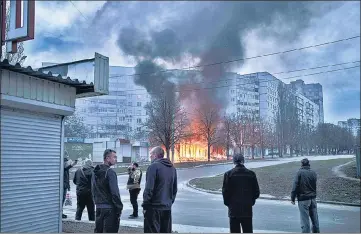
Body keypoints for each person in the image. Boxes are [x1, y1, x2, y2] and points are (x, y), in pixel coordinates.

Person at [142, 146, 178, 233]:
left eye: (151, 154)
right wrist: (169, 202)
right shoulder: (172, 168)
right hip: (167, 208)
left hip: (154, 208)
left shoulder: (153, 167)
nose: (150, 156)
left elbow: (149, 188)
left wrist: (145, 205)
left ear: (155, 155)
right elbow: (174, 189)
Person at [222, 153, 260, 233]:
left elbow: (225, 192)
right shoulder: (251, 174)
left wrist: (229, 204)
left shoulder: (228, 174)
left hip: (233, 209)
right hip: (247, 208)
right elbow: (256, 192)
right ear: (243, 161)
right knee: (248, 231)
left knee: (234, 231)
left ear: (234, 162)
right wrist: (250, 201)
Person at [92, 149, 123, 233]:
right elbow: (115, 193)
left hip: (98, 207)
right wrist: (119, 208)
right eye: (114, 157)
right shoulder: (110, 172)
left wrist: (96, 202)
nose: (116, 159)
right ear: (107, 158)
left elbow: (93, 190)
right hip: (109, 209)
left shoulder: (95, 172)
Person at [291, 158, 320, 233]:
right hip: (313, 199)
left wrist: (293, 198)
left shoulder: (299, 173)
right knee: (315, 220)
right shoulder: (313, 172)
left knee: (305, 221)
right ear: (308, 164)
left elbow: (295, 186)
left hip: (303, 199)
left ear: (301, 164)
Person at [63, 154, 77, 219]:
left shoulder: (65, 169)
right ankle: (60, 213)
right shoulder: (63, 169)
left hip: (65, 186)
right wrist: (72, 164)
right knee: (61, 200)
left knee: (62, 200)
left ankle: (61, 212)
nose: (67, 163)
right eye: (66, 162)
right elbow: (66, 168)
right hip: (63, 186)